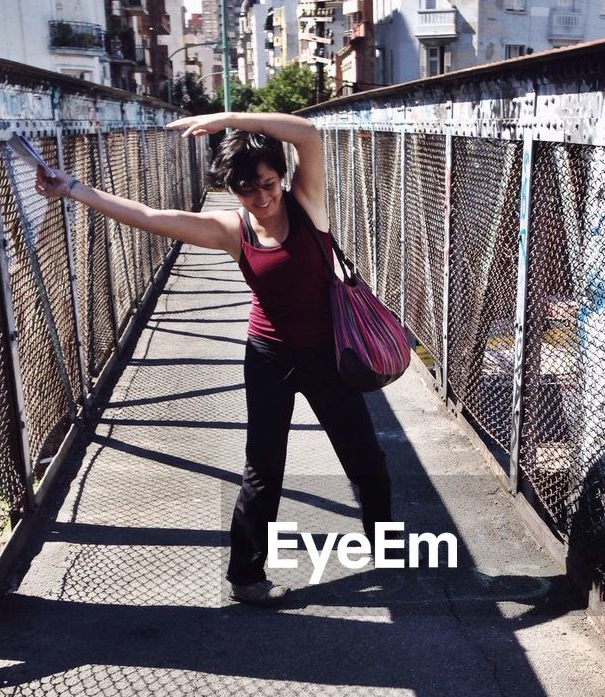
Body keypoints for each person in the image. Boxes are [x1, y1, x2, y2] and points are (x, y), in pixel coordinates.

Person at [35, 111, 390, 606]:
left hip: (328, 356)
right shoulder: (231, 230)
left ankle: (386, 548)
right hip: (267, 357)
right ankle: (246, 577)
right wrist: (72, 187)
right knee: (263, 470)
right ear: (232, 191)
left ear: (282, 176)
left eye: (267, 183)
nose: (262, 198)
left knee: (366, 460)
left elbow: (308, 133)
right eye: (247, 190)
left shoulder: (308, 204)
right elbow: (150, 217)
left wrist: (229, 118)